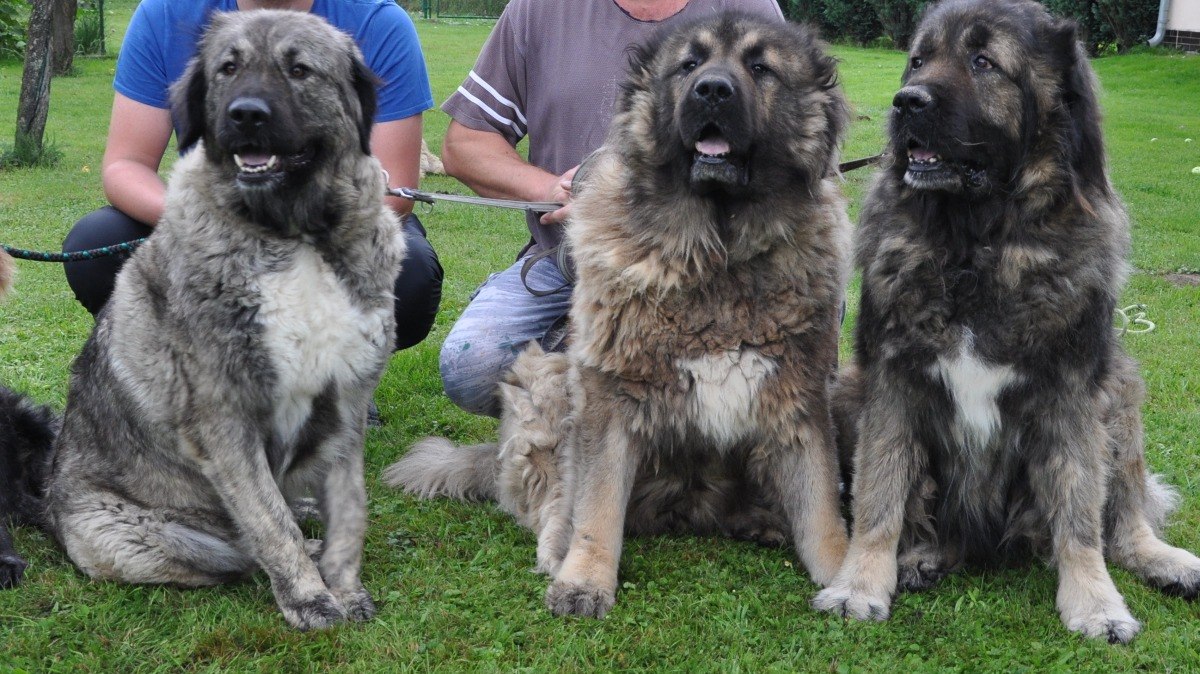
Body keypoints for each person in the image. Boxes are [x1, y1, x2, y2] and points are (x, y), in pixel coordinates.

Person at [438, 0, 785, 417]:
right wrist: (552, 187)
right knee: (471, 364)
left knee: (800, 314)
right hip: (571, 264)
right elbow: (465, 144)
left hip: (721, 263)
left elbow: (790, 131)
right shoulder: (537, 9)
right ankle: (599, 396)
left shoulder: (749, 7)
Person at [62, 0, 443, 363]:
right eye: (230, 69)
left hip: (330, 222)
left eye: (298, 72)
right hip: (214, 215)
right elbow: (126, 165)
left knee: (410, 276)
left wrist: (286, 242)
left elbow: (394, 192)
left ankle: (333, 366)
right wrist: (207, 222)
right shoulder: (164, 14)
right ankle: (169, 357)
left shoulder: (379, 22)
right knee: (99, 242)